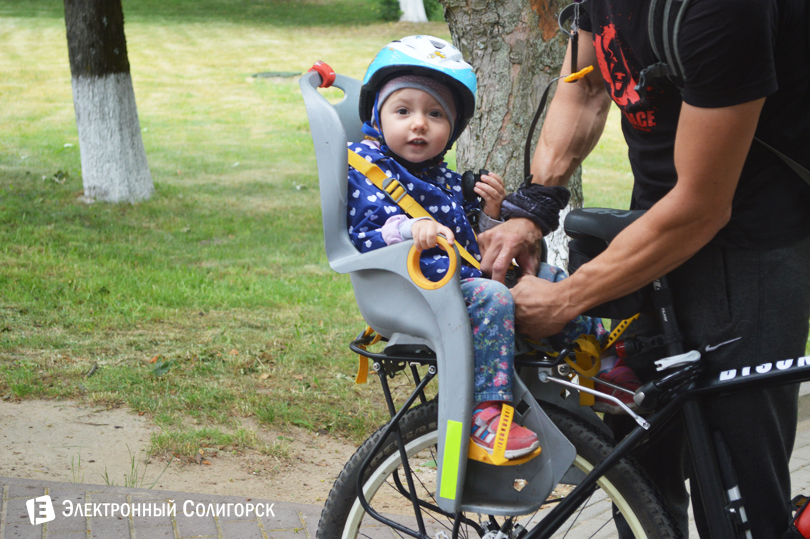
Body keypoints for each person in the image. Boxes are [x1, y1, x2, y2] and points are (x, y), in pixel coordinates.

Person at [478, 0, 810, 536]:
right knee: (641, 474)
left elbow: (703, 205)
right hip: (654, 225)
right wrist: (534, 208)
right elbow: (585, 85)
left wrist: (567, 299)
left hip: (752, 249)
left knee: (739, 498)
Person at [347, 35, 606, 459]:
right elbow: (362, 230)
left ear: (452, 129)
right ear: (376, 115)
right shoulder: (366, 167)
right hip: (415, 289)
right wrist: (410, 229)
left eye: (435, 114)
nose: (419, 124)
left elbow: (471, 242)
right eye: (403, 111)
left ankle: (601, 355)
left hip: (457, 279)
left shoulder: (443, 177)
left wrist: (489, 213)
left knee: (548, 278)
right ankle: (484, 415)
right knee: (491, 296)